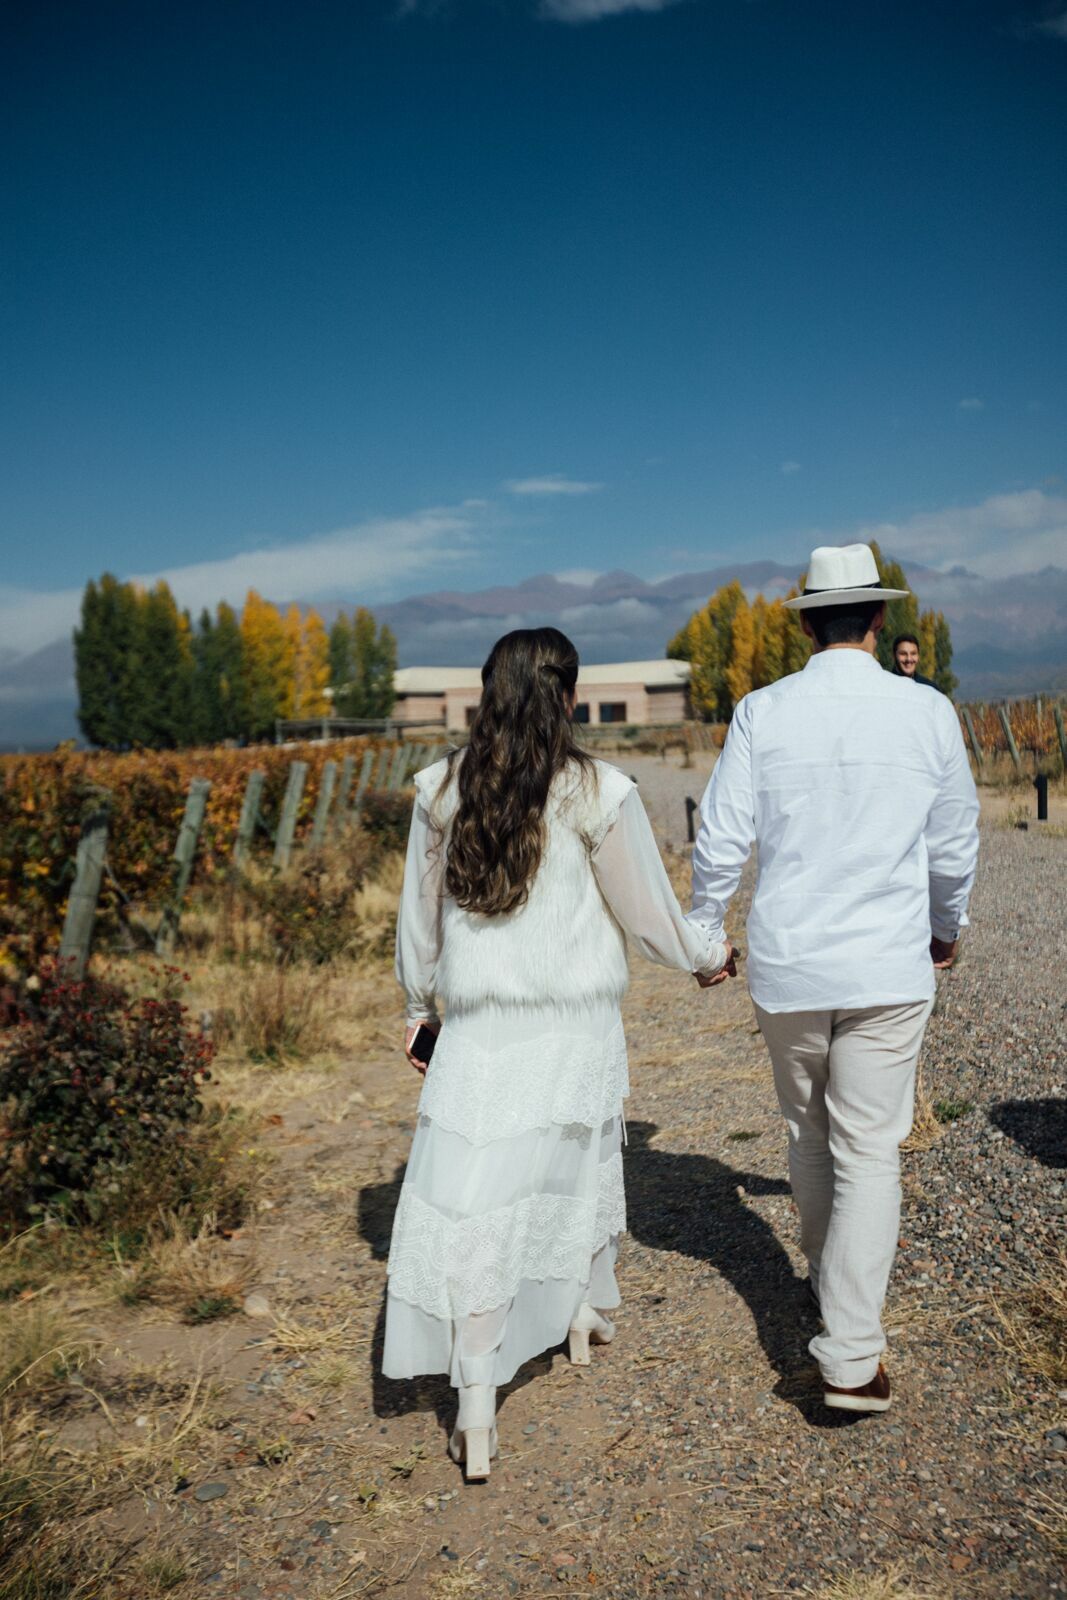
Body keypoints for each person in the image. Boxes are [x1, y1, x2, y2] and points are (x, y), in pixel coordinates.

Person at [386, 627, 731, 1478]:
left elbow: (418, 917)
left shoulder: (441, 788)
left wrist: (418, 1007)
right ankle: (577, 1314)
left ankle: (476, 1399)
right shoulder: (597, 791)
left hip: (480, 1028)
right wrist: (706, 955)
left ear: (488, 693)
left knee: (478, 1203)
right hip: (576, 1026)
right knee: (573, 1175)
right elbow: (647, 914)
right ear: (568, 697)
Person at [689, 543, 979, 1414]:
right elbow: (953, 841)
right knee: (867, 1149)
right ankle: (850, 1353)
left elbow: (722, 834)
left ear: (806, 623)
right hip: (887, 964)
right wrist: (944, 928)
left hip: (790, 964)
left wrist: (706, 932)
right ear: (880, 618)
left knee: (806, 1132)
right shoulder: (926, 712)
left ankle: (828, 1285)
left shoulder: (761, 711)